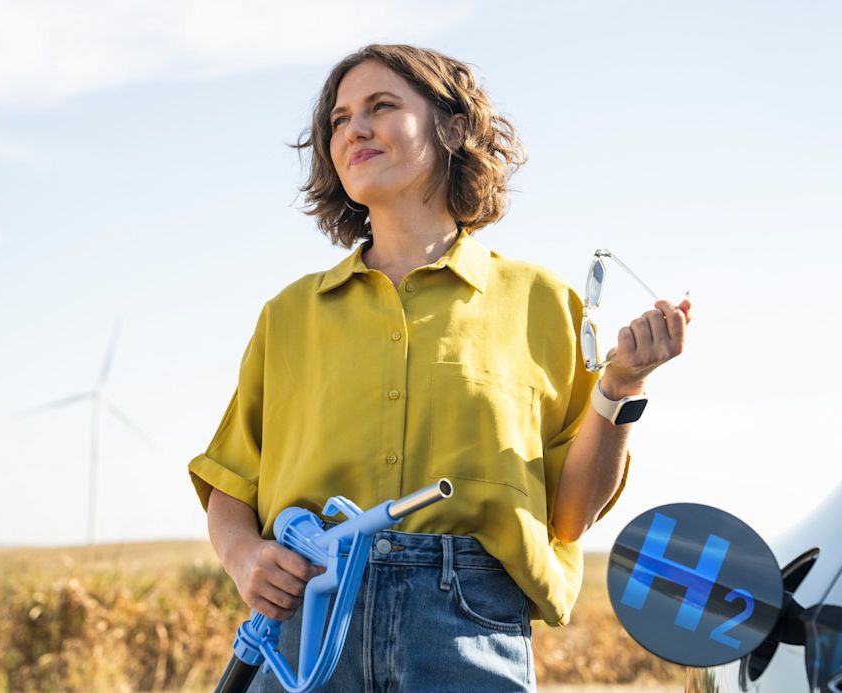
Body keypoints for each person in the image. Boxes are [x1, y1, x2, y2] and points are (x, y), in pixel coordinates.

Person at [188, 43, 692, 692]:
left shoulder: (543, 301)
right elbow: (232, 482)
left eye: (381, 106)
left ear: (453, 128)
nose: (355, 129)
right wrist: (243, 554)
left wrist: (622, 387)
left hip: (467, 624)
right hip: (308, 622)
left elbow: (570, 514)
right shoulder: (287, 315)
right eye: (339, 119)